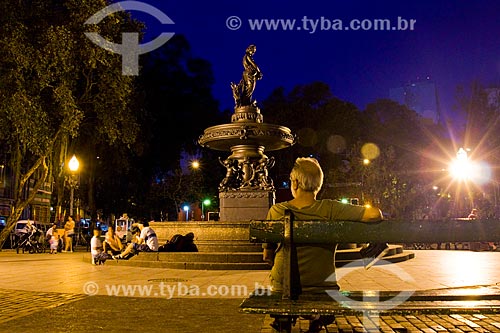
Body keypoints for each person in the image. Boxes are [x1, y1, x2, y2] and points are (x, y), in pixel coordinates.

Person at [263, 157, 388, 333]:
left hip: (283, 288)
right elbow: (375, 214)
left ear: (295, 183)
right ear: (318, 185)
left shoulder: (277, 211)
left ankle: (287, 319)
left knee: (278, 277)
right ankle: (318, 317)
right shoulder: (330, 209)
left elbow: (267, 256)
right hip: (324, 288)